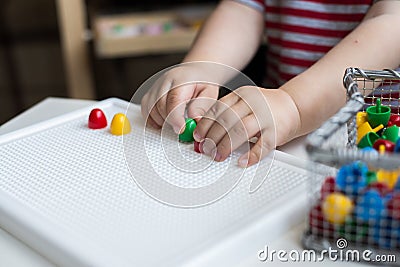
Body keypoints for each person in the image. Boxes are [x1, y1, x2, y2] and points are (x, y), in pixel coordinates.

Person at [141, 0, 400, 167]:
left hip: (379, 142)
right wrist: (204, 65)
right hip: (281, 137)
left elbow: (391, 24)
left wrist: (293, 104)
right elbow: (242, 9)